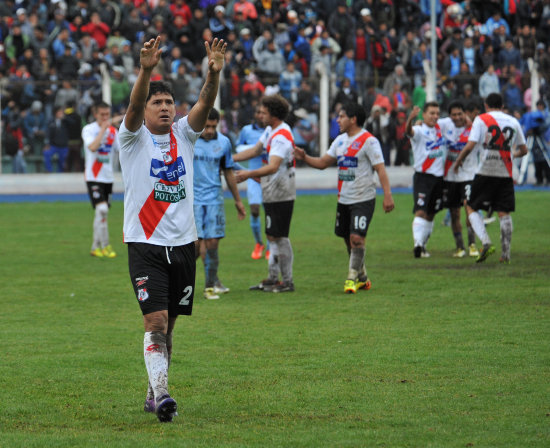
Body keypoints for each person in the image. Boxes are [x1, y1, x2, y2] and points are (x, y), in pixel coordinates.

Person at [117, 36, 225, 423]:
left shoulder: (183, 135)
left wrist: (213, 73)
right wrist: (145, 69)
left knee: (171, 324)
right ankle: (163, 394)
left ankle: (153, 390)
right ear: (145, 109)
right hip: (145, 243)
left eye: (168, 103)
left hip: (183, 244)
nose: (164, 108)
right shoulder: (131, 139)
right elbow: (131, 106)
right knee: (156, 321)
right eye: (156, 102)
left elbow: (204, 104)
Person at [294, 102, 394, 293]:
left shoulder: (369, 141)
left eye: (341, 116)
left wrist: (387, 195)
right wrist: (305, 157)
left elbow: (380, 169)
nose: (337, 120)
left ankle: (351, 278)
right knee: (348, 239)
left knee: (357, 237)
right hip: (344, 199)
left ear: (353, 119)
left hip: (363, 198)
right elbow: (323, 162)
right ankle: (363, 276)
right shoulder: (340, 141)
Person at [454, 93, 528, 264]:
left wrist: (459, 161)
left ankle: (486, 241)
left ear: (486, 105)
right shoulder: (513, 122)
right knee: (504, 212)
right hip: (505, 172)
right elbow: (524, 150)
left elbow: (471, 145)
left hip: (486, 171)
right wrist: (511, 155)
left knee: (470, 205)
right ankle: (506, 254)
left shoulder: (481, 119)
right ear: (502, 106)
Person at [233, 94, 296, 293]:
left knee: (280, 236)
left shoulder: (280, 137)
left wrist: (248, 174)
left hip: (281, 192)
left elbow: (273, 166)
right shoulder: (271, 130)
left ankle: (287, 281)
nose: (261, 115)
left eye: (265, 112)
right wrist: (227, 158)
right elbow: (254, 151)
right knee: (271, 235)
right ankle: (272, 278)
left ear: (274, 115)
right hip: (271, 190)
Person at [193, 108, 246, 300]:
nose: (209, 130)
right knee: (196, 247)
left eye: (213, 127)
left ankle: (210, 286)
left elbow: (228, 172)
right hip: (193, 201)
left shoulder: (223, 143)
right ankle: (180, 280)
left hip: (214, 199)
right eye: (206, 126)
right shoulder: (189, 140)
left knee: (213, 243)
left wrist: (238, 201)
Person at [439, 100, 479, 258]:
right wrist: (420, 121)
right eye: (453, 115)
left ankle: (472, 244)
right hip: (450, 176)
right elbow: (429, 122)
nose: (457, 117)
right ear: (449, 116)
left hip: (468, 175)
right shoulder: (444, 125)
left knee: (469, 208)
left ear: (465, 113)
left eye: (460, 114)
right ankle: (460, 247)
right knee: (454, 213)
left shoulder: (474, 127)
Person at [406, 102, 446, 258]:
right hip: (423, 177)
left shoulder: (440, 128)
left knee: (431, 214)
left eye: (437, 113)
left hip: (439, 178)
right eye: (432, 113)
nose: (435, 116)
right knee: (420, 211)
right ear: (424, 114)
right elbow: (408, 131)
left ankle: (422, 246)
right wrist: (410, 118)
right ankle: (417, 244)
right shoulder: (419, 130)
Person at [82, 101, 121, 258]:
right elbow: (92, 147)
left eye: (107, 114)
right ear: (95, 114)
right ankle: (106, 245)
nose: (105, 117)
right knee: (102, 209)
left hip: (107, 177)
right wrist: (103, 130)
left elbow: (120, 150)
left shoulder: (113, 132)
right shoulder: (89, 129)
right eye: (102, 114)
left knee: (101, 214)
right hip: (93, 176)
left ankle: (94, 247)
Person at [234, 105, 269, 260]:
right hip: (253, 177)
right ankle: (258, 243)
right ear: (255, 114)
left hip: (269, 176)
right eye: (258, 112)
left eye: (263, 112)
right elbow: (239, 147)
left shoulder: (272, 131)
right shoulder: (247, 130)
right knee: (254, 209)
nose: (261, 115)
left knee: (270, 211)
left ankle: (270, 246)